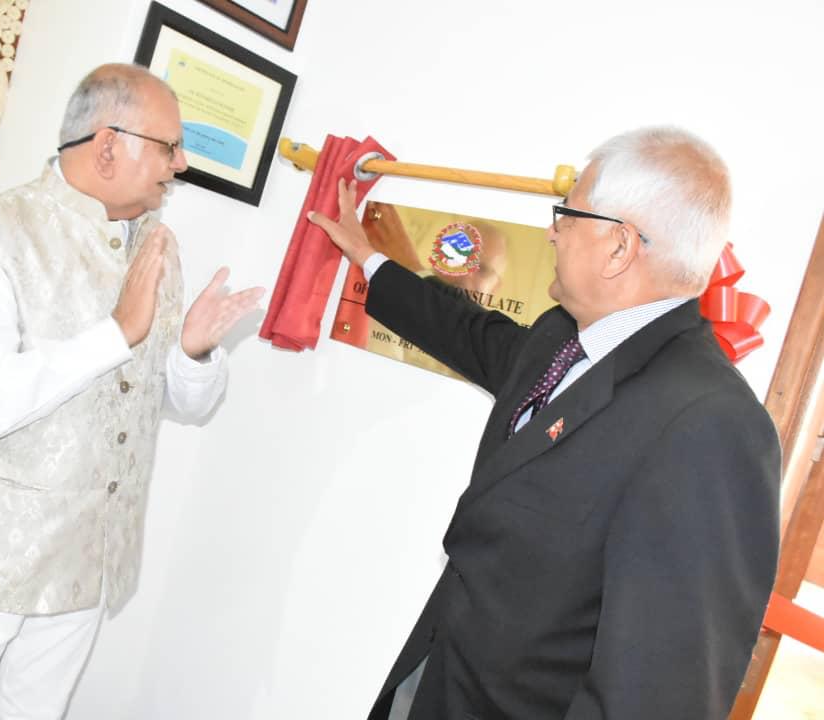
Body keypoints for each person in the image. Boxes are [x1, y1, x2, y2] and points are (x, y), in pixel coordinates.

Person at [309, 126, 780, 720]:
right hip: (436, 682)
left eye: (567, 213)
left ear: (618, 246)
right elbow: (471, 336)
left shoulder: (711, 424)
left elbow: (659, 694)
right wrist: (370, 257)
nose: (552, 230)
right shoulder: (564, 338)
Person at [0, 63, 264, 719]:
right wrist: (118, 332)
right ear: (107, 144)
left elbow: (183, 403)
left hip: (86, 563)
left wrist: (194, 351)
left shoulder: (154, 246)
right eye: (169, 146)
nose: (179, 164)